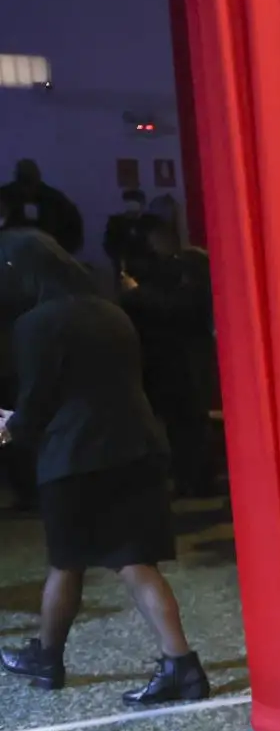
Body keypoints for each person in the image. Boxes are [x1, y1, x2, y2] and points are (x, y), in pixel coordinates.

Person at [0, 229, 207, 703]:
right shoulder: (111, 311)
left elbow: (37, 402)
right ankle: (182, 666)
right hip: (137, 448)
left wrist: (12, 427)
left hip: (75, 458)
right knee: (136, 561)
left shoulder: (36, 324)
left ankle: (47, 657)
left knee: (66, 562)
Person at [120, 219, 219, 498]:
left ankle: (199, 480)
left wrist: (136, 293)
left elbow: (183, 309)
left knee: (191, 424)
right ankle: (186, 478)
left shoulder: (192, 266)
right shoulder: (161, 269)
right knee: (177, 425)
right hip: (167, 360)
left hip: (188, 357)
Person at [0, 160, 85, 256]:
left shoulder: (55, 201)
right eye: (24, 181)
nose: (27, 188)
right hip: (11, 257)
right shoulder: (5, 198)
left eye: (30, 181)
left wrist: (61, 252)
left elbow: (74, 226)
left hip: (47, 258)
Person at [103, 190, 159, 277]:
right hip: (124, 271)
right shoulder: (116, 222)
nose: (131, 207)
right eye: (128, 203)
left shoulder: (152, 222)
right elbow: (109, 246)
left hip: (150, 272)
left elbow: (160, 245)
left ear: (142, 204)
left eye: (135, 202)